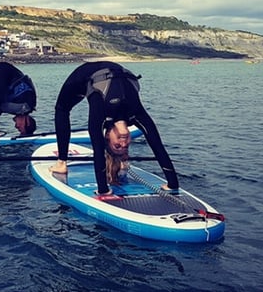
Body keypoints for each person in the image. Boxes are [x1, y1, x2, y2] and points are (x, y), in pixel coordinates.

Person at [50, 61, 179, 196]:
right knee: (62, 109)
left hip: (82, 76)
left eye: (117, 146)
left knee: (62, 109)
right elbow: (157, 145)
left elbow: (98, 150)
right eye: (125, 146)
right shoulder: (137, 113)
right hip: (115, 71)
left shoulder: (100, 113)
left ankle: (61, 162)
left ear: (107, 136)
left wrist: (103, 190)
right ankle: (62, 162)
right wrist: (172, 183)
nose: (123, 142)